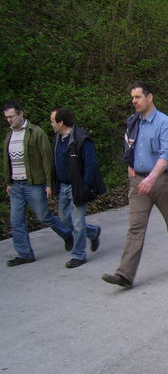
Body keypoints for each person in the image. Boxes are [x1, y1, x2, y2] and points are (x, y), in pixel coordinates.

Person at [102, 82, 168, 288]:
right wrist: (130, 165)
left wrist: (151, 177)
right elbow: (129, 145)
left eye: (138, 97)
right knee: (135, 227)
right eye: (132, 97)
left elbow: (167, 154)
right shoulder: (133, 122)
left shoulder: (165, 123)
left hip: (162, 181)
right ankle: (124, 274)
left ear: (150, 97)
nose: (134, 101)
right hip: (138, 182)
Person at [3, 101, 73, 267]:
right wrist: (9, 182)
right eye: (6, 117)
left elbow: (47, 159)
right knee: (16, 220)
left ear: (21, 114)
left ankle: (67, 234)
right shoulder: (9, 135)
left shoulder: (36, 132)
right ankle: (25, 253)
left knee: (44, 216)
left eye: (12, 116)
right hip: (16, 184)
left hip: (33, 183)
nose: (9, 120)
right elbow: (7, 160)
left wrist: (49, 183)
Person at [50, 108, 104, 268]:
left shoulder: (81, 139)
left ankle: (79, 255)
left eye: (52, 121)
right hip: (64, 186)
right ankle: (93, 232)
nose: (51, 124)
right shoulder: (58, 138)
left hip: (77, 187)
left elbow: (91, 164)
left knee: (77, 222)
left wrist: (85, 186)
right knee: (65, 219)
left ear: (61, 122)